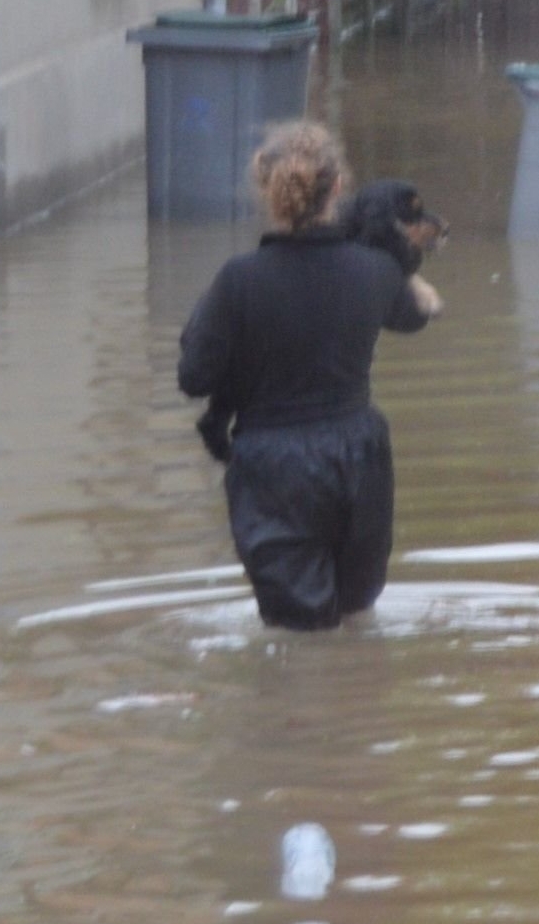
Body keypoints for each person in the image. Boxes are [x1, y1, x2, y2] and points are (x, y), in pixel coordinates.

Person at [179, 122, 434, 630]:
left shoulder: (239, 280)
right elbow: (417, 314)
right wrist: (402, 264)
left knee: (299, 638)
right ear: (338, 188)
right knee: (358, 618)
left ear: (266, 193)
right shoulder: (376, 272)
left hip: (273, 472)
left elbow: (194, 376)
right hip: (360, 460)